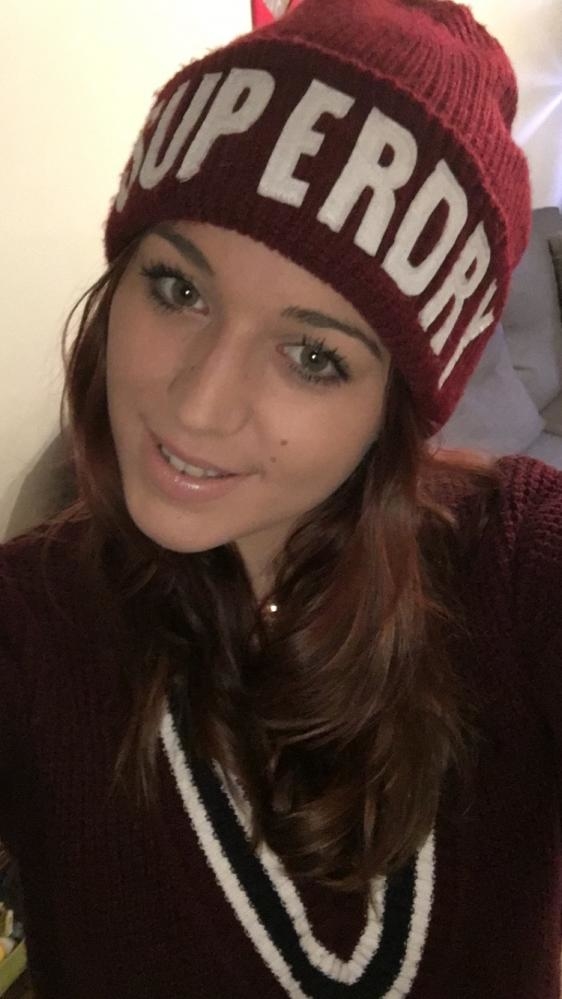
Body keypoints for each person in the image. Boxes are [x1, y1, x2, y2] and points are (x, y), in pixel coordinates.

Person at [1, 0, 560, 996]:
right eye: (178, 290)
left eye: (312, 355)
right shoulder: (27, 622)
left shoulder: (517, 568)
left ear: (396, 406)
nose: (198, 407)